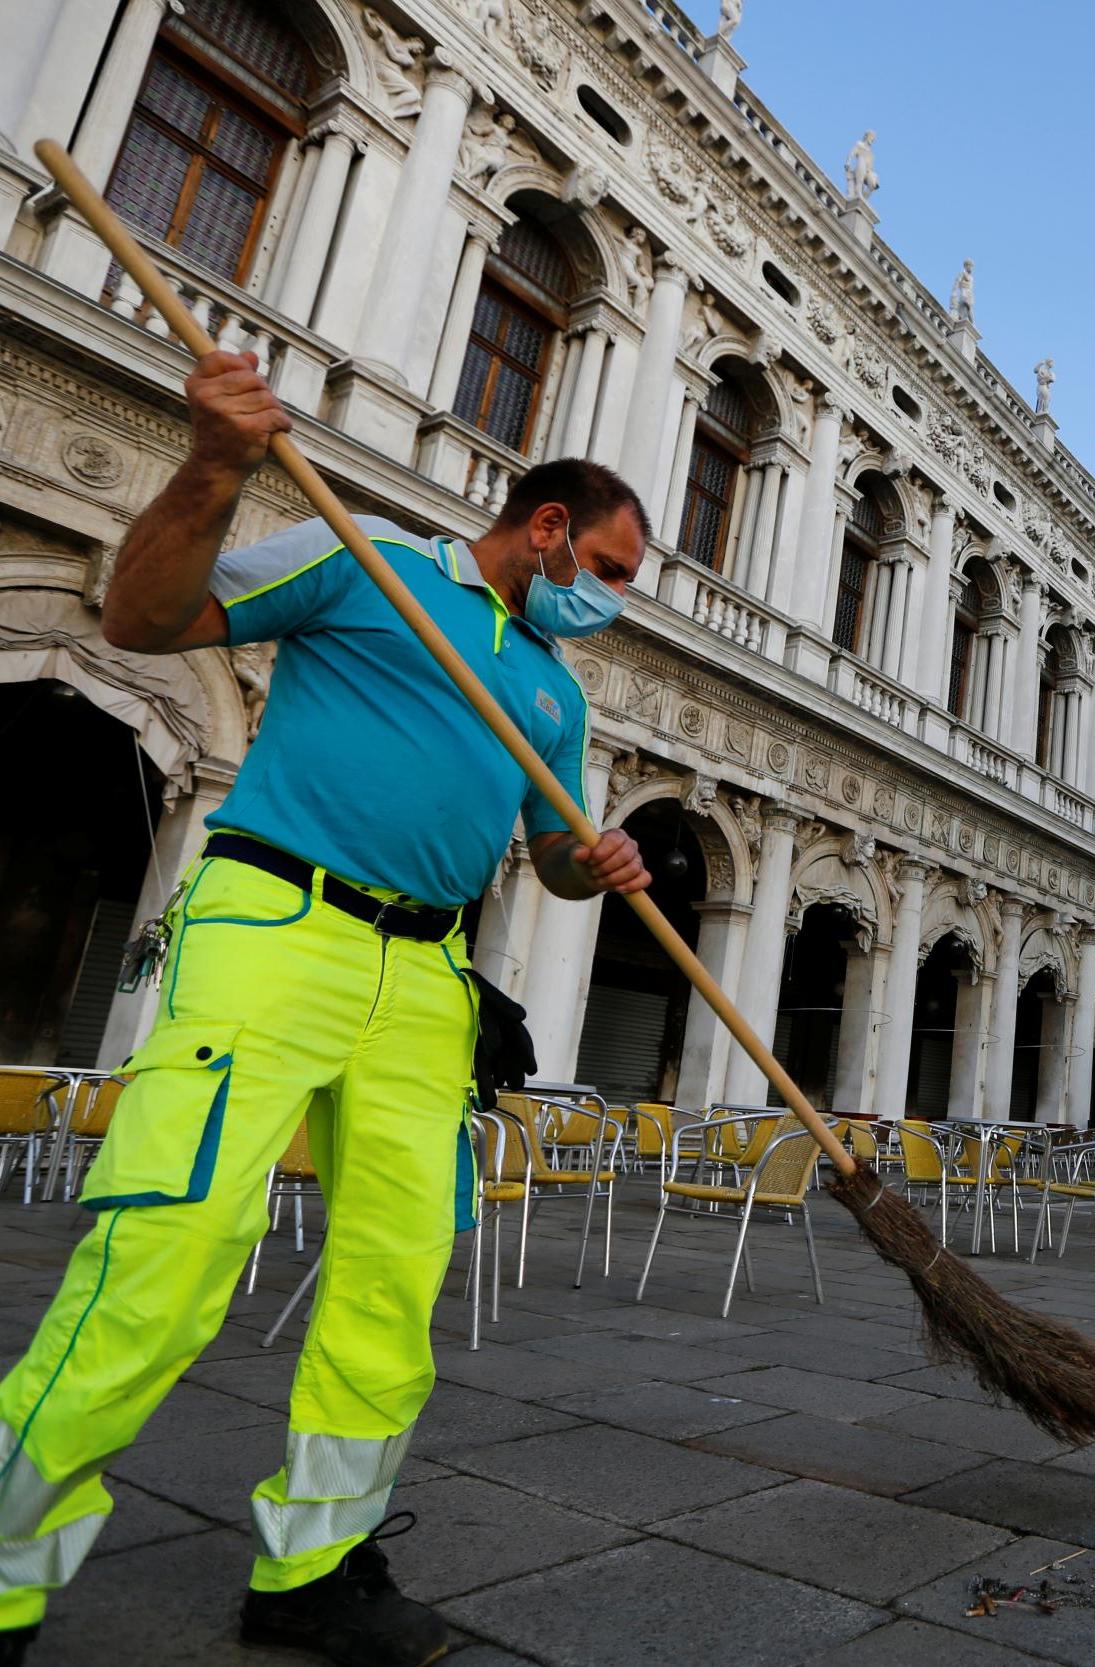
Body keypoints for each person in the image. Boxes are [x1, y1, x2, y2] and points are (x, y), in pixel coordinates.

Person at [0, 349, 652, 1666]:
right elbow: (142, 618)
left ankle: (316, 1562)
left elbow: (555, 859)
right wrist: (214, 463)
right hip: (274, 923)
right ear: (548, 526)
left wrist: (596, 860)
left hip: (430, 975)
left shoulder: (555, 689)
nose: (617, 601)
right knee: (167, 1253)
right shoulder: (363, 560)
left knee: (393, 1276)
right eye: (615, 569)